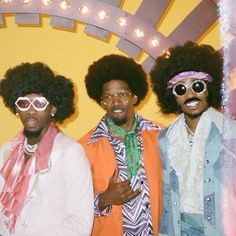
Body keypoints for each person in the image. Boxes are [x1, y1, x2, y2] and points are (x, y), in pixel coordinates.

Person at [0, 62, 94, 236]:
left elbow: (80, 221)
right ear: (16, 109)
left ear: (53, 108)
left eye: (39, 103)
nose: (31, 111)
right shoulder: (7, 150)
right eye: (23, 103)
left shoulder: (70, 152)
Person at [79, 54, 163, 236]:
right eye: (108, 97)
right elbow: (73, 206)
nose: (116, 102)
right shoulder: (84, 148)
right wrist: (104, 199)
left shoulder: (161, 136)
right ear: (101, 102)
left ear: (134, 97)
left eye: (123, 95)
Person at [150, 41, 225, 235]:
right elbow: (168, 196)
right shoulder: (166, 139)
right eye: (180, 89)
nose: (190, 94)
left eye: (197, 86)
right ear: (172, 96)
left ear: (209, 89)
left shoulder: (230, 133)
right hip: (180, 228)